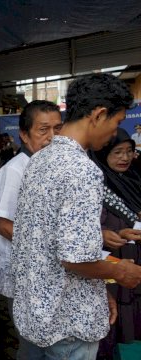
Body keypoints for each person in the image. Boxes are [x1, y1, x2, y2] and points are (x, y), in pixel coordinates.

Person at [11, 73, 141, 359]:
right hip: (68, 325)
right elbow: (75, 258)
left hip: (37, 314)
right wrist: (121, 271)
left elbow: (51, 240)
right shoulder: (82, 170)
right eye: (117, 123)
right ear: (99, 114)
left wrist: (98, 291)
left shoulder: (39, 159)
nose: (114, 133)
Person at [0, 100, 62, 356]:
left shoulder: (49, 166)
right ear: (23, 134)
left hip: (43, 272)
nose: (52, 137)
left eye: (57, 128)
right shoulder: (16, 170)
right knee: (31, 346)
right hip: (22, 276)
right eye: (43, 130)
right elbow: (4, 226)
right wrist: (53, 246)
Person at [88, 128, 141, 359]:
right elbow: (83, 227)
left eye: (129, 151)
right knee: (112, 322)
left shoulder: (134, 179)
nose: (125, 158)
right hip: (109, 268)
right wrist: (104, 233)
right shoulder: (93, 184)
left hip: (134, 264)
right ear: (103, 154)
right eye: (118, 152)